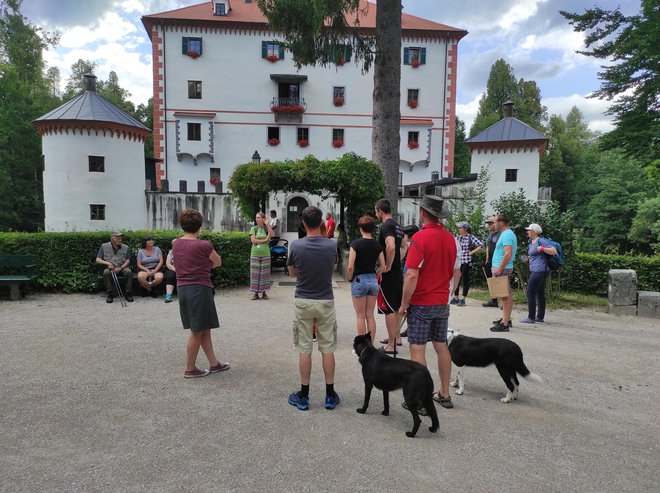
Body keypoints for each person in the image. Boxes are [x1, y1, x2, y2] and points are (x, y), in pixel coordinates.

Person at [399, 195, 459, 410]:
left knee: (417, 350)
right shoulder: (451, 238)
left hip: (422, 302)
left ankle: (421, 399)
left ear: (422, 213)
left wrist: (404, 303)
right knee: (441, 346)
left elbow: (412, 274)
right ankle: (444, 393)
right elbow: (454, 270)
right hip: (442, 300)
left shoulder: (419, 239)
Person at [286, 206, 340, 411]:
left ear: (304, 224)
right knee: (328, 348)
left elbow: (292, 273)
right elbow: (333, 267)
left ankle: (304, 395)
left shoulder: (296, 245)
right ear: (321, 223)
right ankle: (329, 394)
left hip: (303, 300)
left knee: (304, 348)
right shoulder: (330, 246)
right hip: (325, 300)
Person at [172, 208, 229, 379]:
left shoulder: (175, 243)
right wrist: (205, 266)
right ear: (200, 226)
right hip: (200, 288)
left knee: (203, 328)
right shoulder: (204, 245)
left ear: (182, 225)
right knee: (197, 331)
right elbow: (217, 262)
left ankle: (214, 363)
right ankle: (190, 368)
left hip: (183, 288)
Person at [347, 215, 385, 341]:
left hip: (359, 280)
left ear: (360, 228)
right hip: (373, 280)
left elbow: (350, 267)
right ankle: (370, 345)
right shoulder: (377, 245)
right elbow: (383, 266)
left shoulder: (355, 244)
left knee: (360, 316)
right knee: (370, 315)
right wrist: (376, 275)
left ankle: (362, 346)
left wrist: (349, 278)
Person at [375, 198, 404, 353]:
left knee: (389, 309)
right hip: (397, 272)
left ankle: (391, 345)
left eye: (376, 211)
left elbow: (391, 247)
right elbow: (404, 246)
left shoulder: (386, 226)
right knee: (397, 306)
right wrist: (397, 262)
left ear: (380, 210)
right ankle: (397, 338)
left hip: (390, 273)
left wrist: (388, 265)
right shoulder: (398, 225)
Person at [520, 223, 557, 324]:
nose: (527, 231)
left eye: (529, 230)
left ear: (534, 232)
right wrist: (527, 259)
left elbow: (554, 251)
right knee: (540, 294)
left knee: (530, 292)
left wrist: (543, 248)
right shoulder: (532, 242)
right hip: (538, 270)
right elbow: (535, 256)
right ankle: (540, 317)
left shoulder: (541, 240)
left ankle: (531, 317)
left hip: (540, 270)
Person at [490, 213, 517, 332]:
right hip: (503, 267)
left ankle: (505, 324)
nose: (493, 224)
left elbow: (508, 254)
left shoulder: (506, 235)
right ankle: (506, 319)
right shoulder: (508, 234)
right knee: (507, 294)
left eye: (495, 222)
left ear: (501, 223)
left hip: (502, 268)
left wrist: (499, 268)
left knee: (504, 296)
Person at [450, 222, 484, 307]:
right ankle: (456, 298)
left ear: (465, 229)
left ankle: (463, 299)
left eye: (460, 228)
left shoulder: (471, 237)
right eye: (458, 228)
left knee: (465, 280)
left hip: (467, 261)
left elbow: (481, 245)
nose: (458, 229)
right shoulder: (458, 238)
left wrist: (472, 252)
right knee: (455, 278)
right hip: (458, 261)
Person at [95, 231, 134, 303]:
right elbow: (98, 260)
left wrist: (121, 268)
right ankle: (110, 294)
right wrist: (107, 263)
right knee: (106, 272)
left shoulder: (125, 247)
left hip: (122, 267)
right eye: (118, 238)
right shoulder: (104, 246)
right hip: (110, 267)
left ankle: (128, 293)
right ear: (112, 239)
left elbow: (128, 261)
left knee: (128, 272)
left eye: (121, 238)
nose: (120, 240)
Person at [249, 212, 274, 300]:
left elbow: (272, 234)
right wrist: (265, 240)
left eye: (259, 217)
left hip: (265, 254)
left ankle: (264, 293)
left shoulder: (266, 229)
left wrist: (267, 225)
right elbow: (253, 241)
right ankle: (255, 293)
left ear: (263, 219)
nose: (257, 219)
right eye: (256, 217)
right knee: (255, 274)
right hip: (255, 254)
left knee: (265, 274)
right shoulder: (253, 228)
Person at [482, 216, 501, 308]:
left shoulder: (500, 234)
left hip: (497, 261)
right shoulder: (490, 234)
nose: (489, 226)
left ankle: (502, 300)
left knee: (498, 281)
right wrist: (487, 259)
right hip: (489, 261)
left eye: (490, 224)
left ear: (495, 224)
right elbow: (488, 247)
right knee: (490, 280)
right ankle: (494, 300)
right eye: (488, 224)